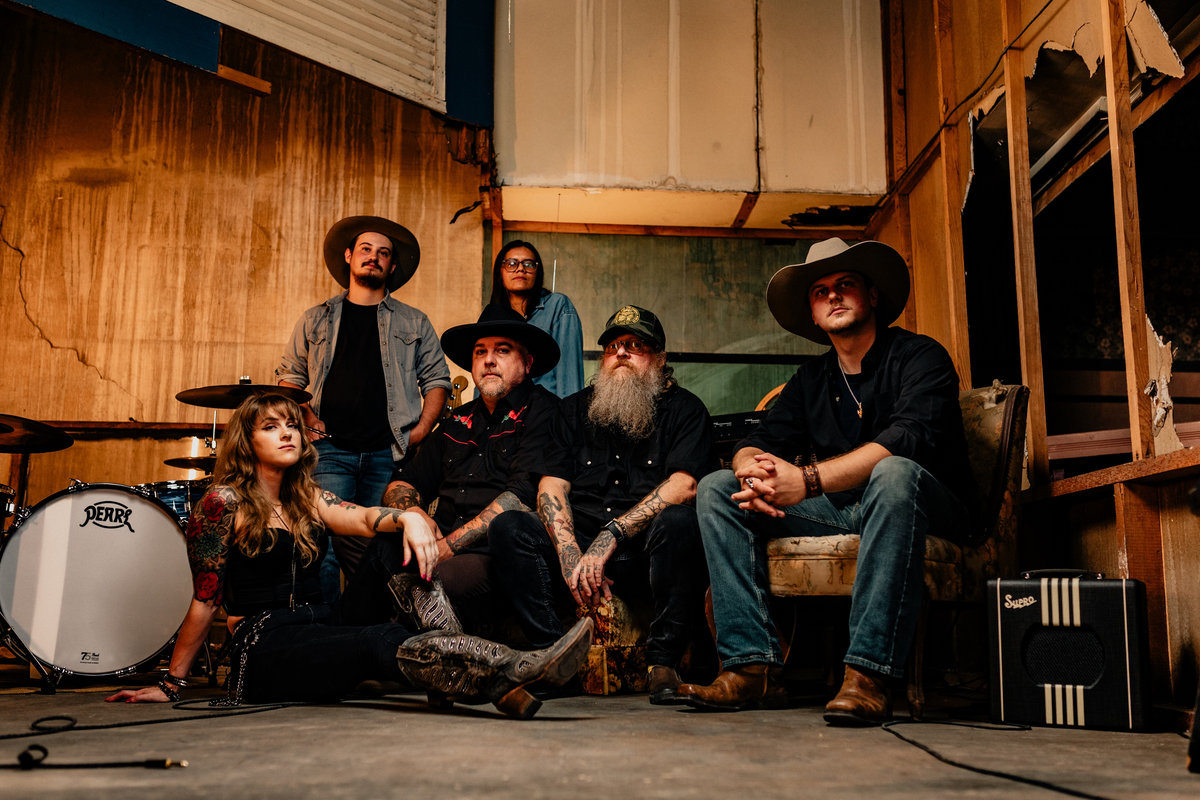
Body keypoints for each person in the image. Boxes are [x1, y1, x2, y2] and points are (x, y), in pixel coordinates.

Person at [105, 393, 591, 718]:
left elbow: (363, 519)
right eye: (271, 427)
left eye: (292, 425)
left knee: (389, 544)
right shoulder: (221, 504)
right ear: (246, 441)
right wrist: (171, 684)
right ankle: (512, 667)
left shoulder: (306, 497)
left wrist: (409, 518)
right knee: (379, 639)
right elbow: (205, 600)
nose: (287, 433)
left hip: (322, 619)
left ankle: (468, 668)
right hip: (263, 643)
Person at [676, 238, 977, 725]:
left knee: (893, 473)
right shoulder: (811, 378)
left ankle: (868, 676)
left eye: (846, 284)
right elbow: (760, 440)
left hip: (926, 506)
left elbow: (907, 440)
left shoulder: (920, 355)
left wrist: (808, 480)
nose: (833, 295)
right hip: (842, 509)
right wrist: (751, 468)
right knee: (717, 488)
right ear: (814, 316)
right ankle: (750, 668)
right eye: (820, 291)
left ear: (872, 296)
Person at [489, 305, 715, 705]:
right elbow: (551, 485)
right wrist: (569, 555)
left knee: (680, 522)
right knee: (509, 527)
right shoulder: (573, 410)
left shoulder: (686, 410)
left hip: (644, 553)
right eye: (612, 346)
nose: (621, 353)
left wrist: (613, 535)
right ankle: (554, 656)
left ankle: (662, 662)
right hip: (581, 549)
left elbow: (685, 485)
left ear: (660, 359)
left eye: (635, 345)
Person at [276, 216, 451, 593]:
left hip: (388, 454)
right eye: (366, 249)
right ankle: (325, 624)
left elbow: (438, 380)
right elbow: (289, 377)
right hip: (328, 451)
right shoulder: (315, 318)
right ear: (349, 256)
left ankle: (369, 624)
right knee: (322, 544)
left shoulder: (415, 322)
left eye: (383, 253)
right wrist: (307, 418)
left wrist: (421, 429)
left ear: (392, 266)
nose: (374, 257)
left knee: (380, 547)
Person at [381, 304, 561, 622]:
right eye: (480, 352)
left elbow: (521, 497)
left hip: (493, 554)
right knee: (373, 546)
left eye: (502, 350)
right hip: (437, 544)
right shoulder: (456, 421)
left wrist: (446, 547)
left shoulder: (545, 411)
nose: (488, 360)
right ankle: (342, 642)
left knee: (428, 584)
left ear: (527, 363)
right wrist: (414, 514)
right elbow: (403, 481)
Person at [489, 240, 584, 398]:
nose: (520, 268)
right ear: (500, 271)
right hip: (502, 410)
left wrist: (569, 413)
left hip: (547, 409)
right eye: (511, 263)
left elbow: (570, 376)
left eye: (528, 264)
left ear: (537, 272)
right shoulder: (492, 317)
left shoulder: (558, 306)